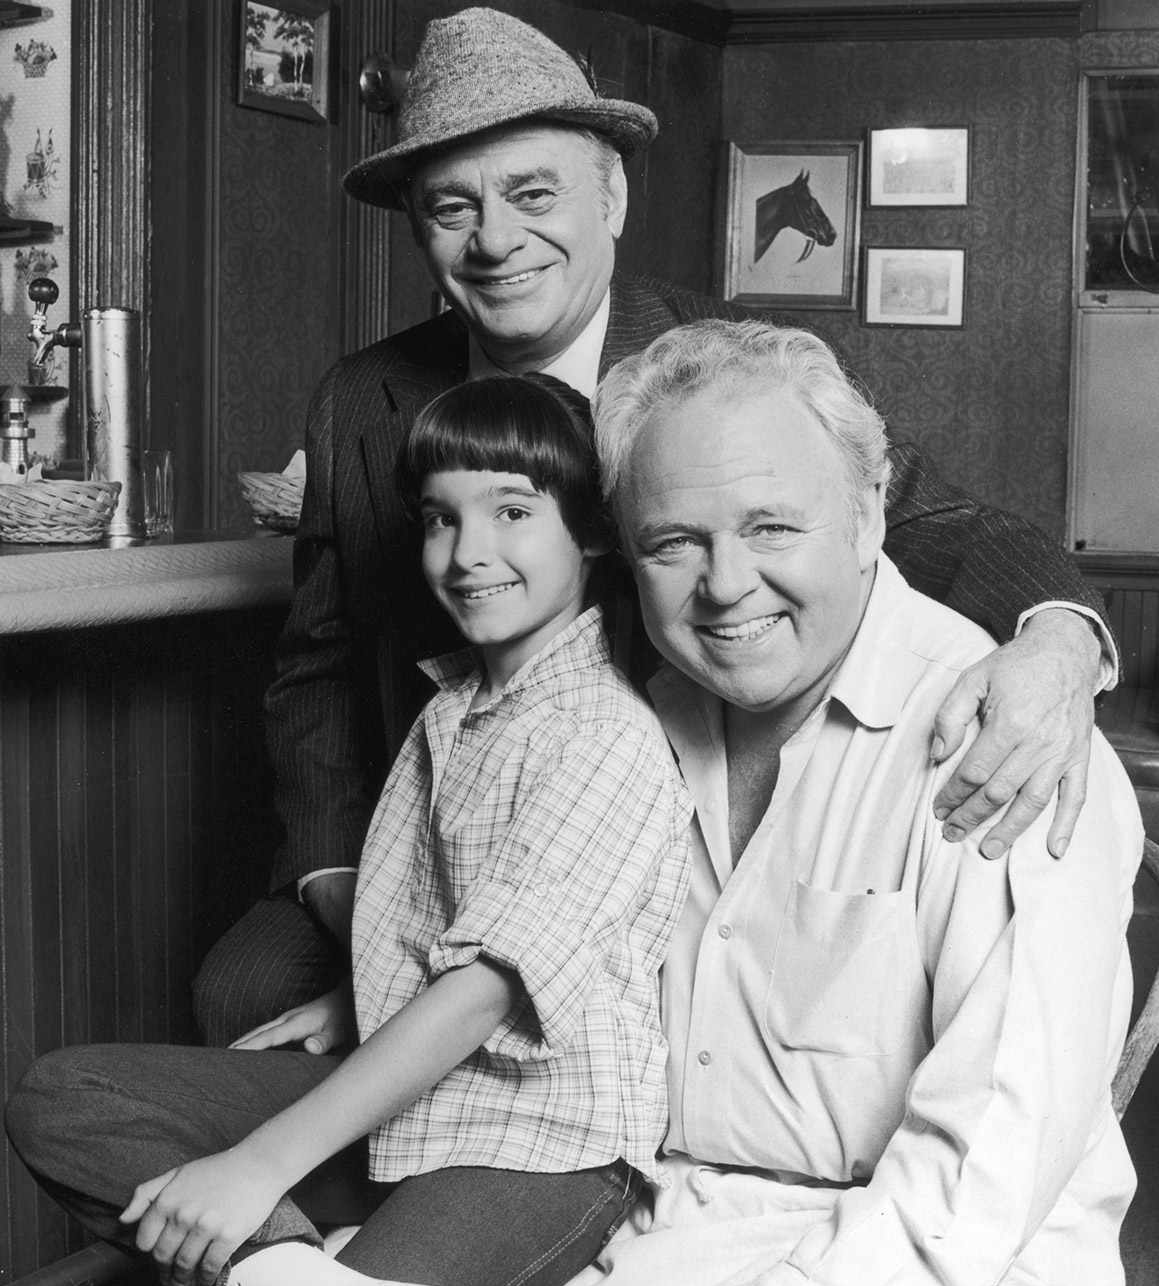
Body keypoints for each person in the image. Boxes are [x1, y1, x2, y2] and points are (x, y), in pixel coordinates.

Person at [192, 6, 1115, 1050]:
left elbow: (938, 520)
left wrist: (1060, 637)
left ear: (612, 195)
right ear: (414, 227)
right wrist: (340, 874)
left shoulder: (726, 362)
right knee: (244, 995)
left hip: (659, 846)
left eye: (533, 194)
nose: (495, 241)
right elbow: (314, 668)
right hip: (434, 844)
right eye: (453, 208)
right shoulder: (359, 401)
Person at [5, 373, 692, 1286]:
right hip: (416, 1102)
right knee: (65, 1100)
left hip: (536, 1146)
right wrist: (356, 993)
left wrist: (257, 1168)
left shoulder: (599, 733)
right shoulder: (457, 704)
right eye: (439, 517)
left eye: (513, 510)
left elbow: (481, 994)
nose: (468, 551)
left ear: (592, 536)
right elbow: (454, 929)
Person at [499, 319, 1141, 1286]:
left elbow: (991, 1155)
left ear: (871, 514)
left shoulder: (1001, 746)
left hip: (961, 1251)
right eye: (674, 542)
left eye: (772, 528)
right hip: (682, 1209)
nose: (727, 584)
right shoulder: (616, 720)